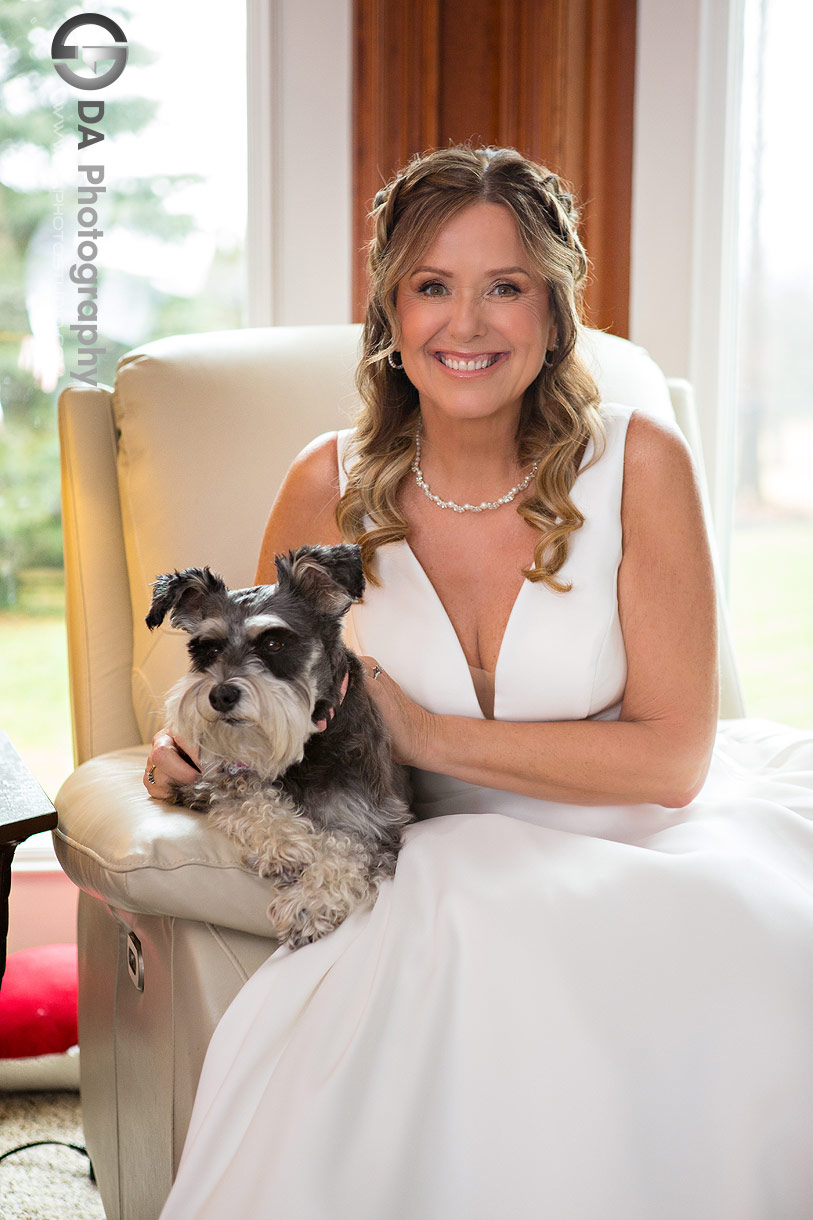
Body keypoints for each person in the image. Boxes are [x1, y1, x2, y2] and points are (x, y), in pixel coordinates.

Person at [148, 146, 813, 1219]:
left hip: (639, 831)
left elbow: (674, 757)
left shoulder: (643, 462)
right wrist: (193, 749)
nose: (468, 324)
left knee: (753, 944)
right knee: (456, 926)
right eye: (432, 287)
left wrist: (415, 727)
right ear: (390, 317)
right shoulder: (322, 485)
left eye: (505, 286)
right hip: (430, 852)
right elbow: (263, 695)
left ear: (553, 313)